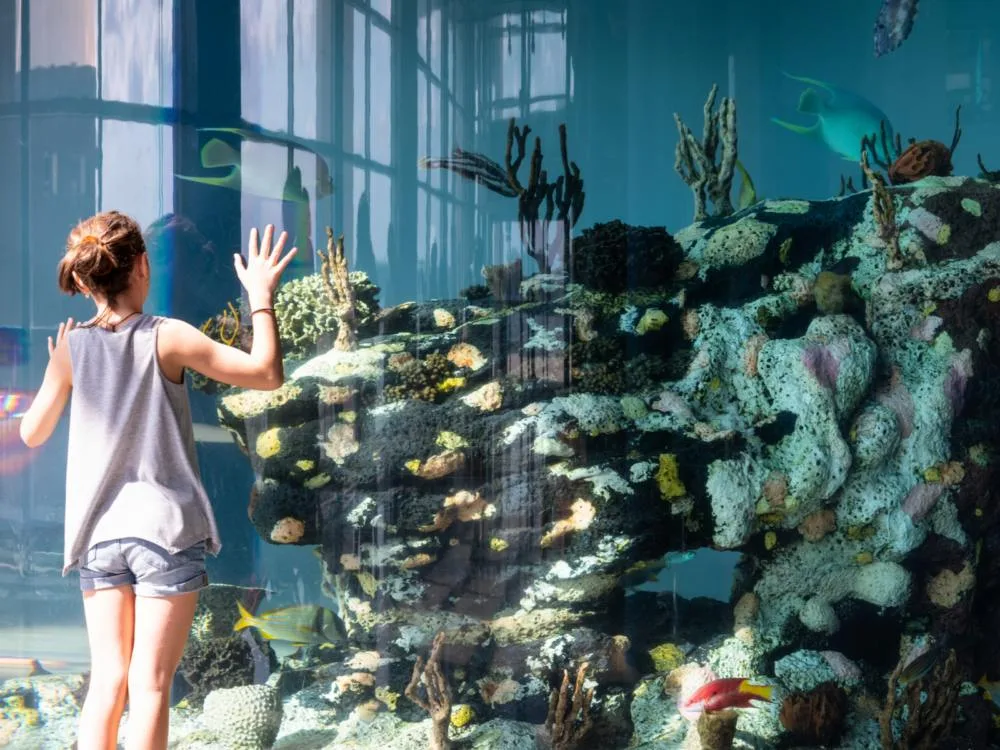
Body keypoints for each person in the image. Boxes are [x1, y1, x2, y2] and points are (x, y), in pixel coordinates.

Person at [18, 211, 297, 750]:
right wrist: (260, 294)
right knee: (151, 687)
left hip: (97, 539)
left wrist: (59, 365)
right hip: (163, 534)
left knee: (107, 683)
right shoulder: (166, 337)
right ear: (143, 265)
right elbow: (266, 373)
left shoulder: (73, 349)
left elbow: (32, 434)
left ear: (81, 280)